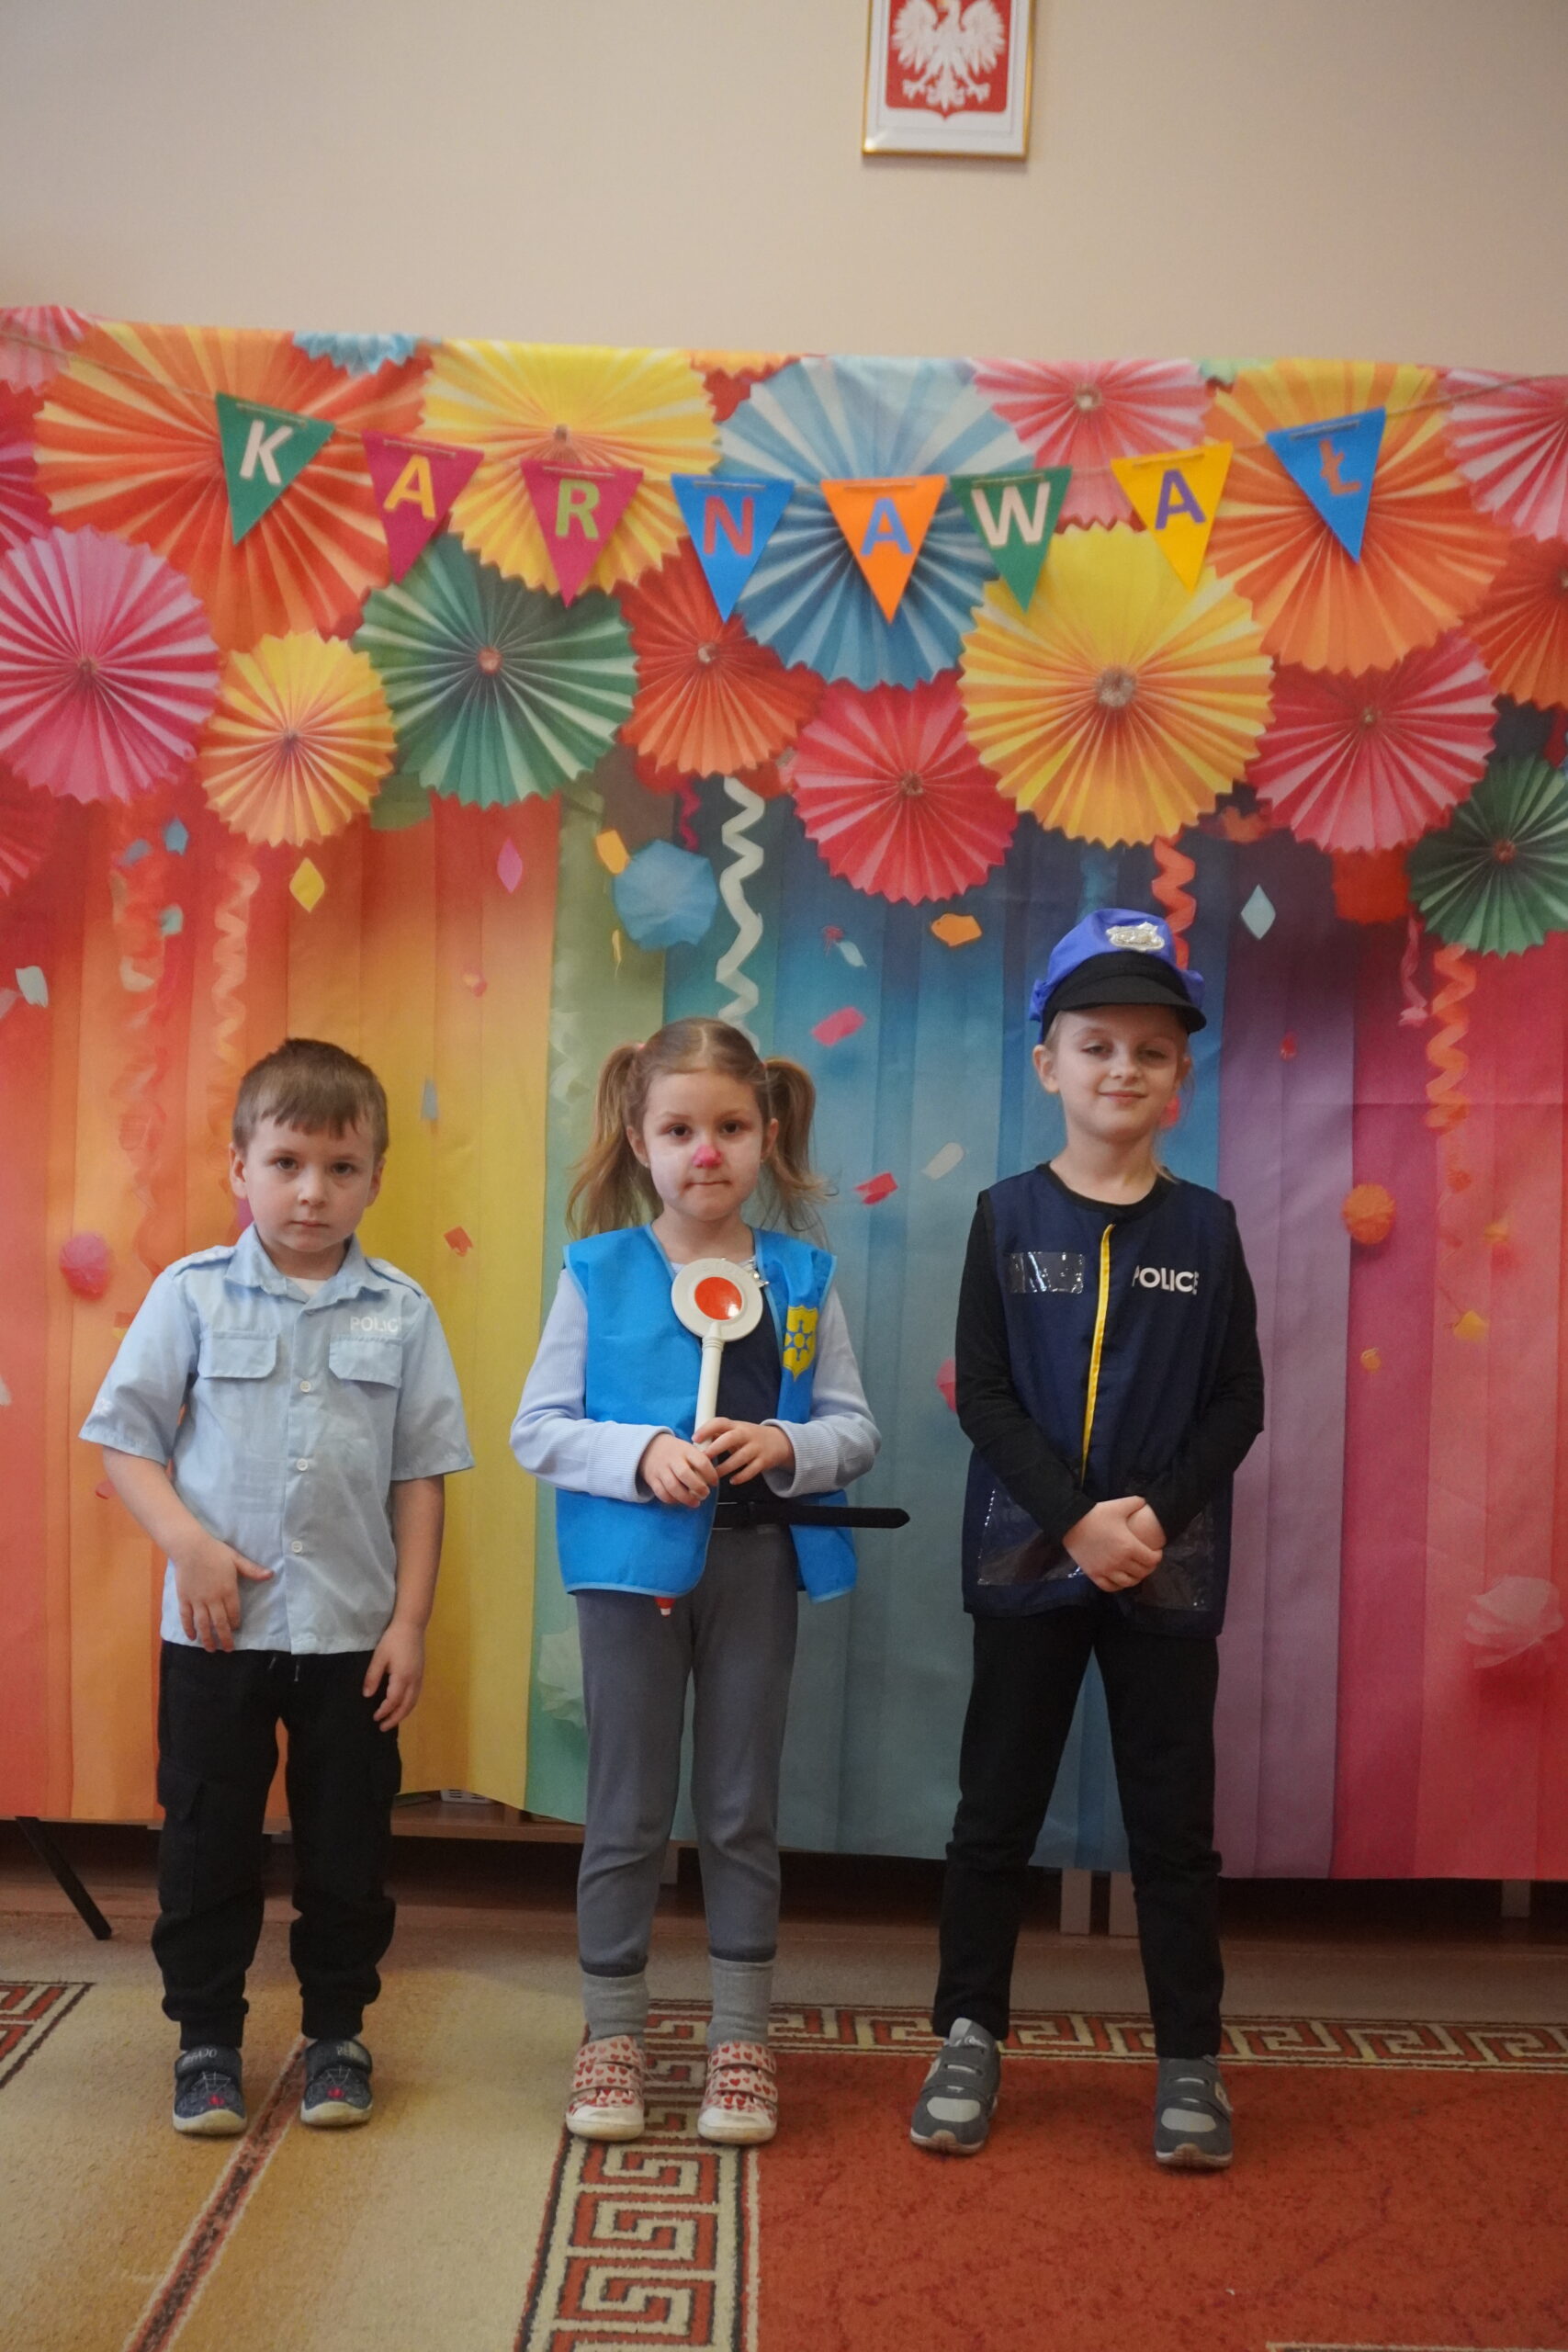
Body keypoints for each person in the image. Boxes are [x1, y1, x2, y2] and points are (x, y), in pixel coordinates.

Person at [909, 910, 1264, 2171]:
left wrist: (1148, 1519)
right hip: (1027, 1556)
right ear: (1046, 1062)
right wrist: (1072, 1519)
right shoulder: (1003, 1218)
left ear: (1179, 1080)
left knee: (1172, 1826)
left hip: (1165, 1568)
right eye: (1096, 1044)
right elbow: (985, 1394)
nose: (1122, 1068)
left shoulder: (1208, 1229)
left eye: (1149, 1051)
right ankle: (967, 2035)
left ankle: (1189, 2060)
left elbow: (1238, 1402)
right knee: (993, 1814)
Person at [82, 1039, 473, 2138]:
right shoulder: (192, 1294)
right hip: (217, 1634)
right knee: (206, 1841)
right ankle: (206, 2041)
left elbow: (420, 1478)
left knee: (349, 1844)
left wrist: (409, 1621)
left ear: (375, 1178)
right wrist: (187, 1544)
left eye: (341, 1168)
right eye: (287, 1162)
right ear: (239, 1168)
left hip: (353, 1636)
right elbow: (125, 1440)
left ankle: (338, 2031)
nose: (312, 1191)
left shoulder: (402, 1311)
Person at [513, 1018, 881, 2149]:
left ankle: (740, 2039)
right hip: (629, 1577)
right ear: (640, 1140)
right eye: (679, 1131)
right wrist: (638, 1454)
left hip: (755, 1566)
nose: (705, 1153)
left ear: (767, 1134)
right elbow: (539, 1428)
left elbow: (854, 1429)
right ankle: (613, 2032)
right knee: (626, 1808)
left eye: (729, 1128)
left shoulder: (802, 1278)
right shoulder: (597, 1271)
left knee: (738, 1807)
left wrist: (786, 1443)